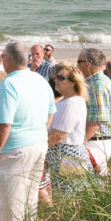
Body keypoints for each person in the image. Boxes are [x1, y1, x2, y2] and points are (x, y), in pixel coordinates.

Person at [0, 42, 51, 221]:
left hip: (13, 151)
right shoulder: (39, 79)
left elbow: (5, 123)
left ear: (7, 59)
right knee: (28, 199)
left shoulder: (9, 84)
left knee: (11, 205)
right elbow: (50, 112)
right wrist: (39, 133)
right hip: (37, 144)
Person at [45, 63, 92, 193]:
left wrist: (41, 149)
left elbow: (59, 135)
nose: (56, 80)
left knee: (69, 195)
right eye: (56, 77)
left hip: (68, 156)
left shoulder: (72, 103)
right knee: (63, 193)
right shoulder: (66, 100)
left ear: (72, 83)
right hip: (62, 155)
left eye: (61, 78)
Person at [76, 48, 111, 176]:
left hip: (96, 142)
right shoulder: (99, 81)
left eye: (79, 62)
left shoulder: (97, 86)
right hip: (100, 140)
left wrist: (79, 143)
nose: (77, 66)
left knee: (86, 178)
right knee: (98, 178)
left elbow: (96, 121)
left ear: (88, 64)